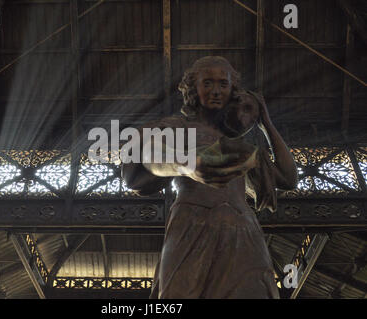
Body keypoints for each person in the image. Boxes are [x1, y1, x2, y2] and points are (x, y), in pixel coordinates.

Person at [121, 56, 298, 298]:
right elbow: (139, 170)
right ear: (193, 89)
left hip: (243, 230)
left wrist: (265, 121)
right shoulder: (175, 127)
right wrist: (185, 165)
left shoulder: (238, 147)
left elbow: (288, 179)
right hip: (192, 224)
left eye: (223, 85)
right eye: (207, 84)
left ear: (232, 90)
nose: (216, 91)